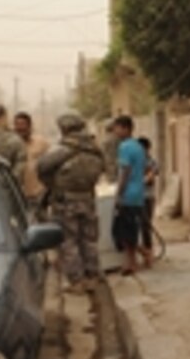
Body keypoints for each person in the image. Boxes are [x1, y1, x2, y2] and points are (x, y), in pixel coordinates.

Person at [37, 113, 106, 294]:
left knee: (69, 241)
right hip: (88, 199)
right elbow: (104, 169)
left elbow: (42, 169)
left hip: (65, 202)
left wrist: (53, 186)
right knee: (89, 239)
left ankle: (77, 281)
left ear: (64, 129)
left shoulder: (62, 150)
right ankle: (93, 276)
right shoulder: (95, 149)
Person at [110, 115, 147, 275]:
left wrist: (118, 194)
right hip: (138, 193)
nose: (115, 131)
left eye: (117, 128)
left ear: (126, 128)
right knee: (130, 230)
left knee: (123, 232)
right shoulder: (138, 146)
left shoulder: (124, 147)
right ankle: (132, 261)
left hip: (128, 194)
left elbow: (125, 172)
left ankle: (131, 263)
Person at [13, 111, 51, 216]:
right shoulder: (10, 146)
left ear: (29, 126)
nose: (20, 129)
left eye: (23, 125)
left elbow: (51, 166)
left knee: (41, 227)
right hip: (16, 196)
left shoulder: (42, 144)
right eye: (17, 125)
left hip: (38, 195)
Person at [137, 136, 159, 267]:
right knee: (134, 227)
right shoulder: (135, 161)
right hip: (136, 198)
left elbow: (150, 177)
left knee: (145, 227)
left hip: (147, 197)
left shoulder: (151, 162)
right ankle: (143, 252)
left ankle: (148, 255)